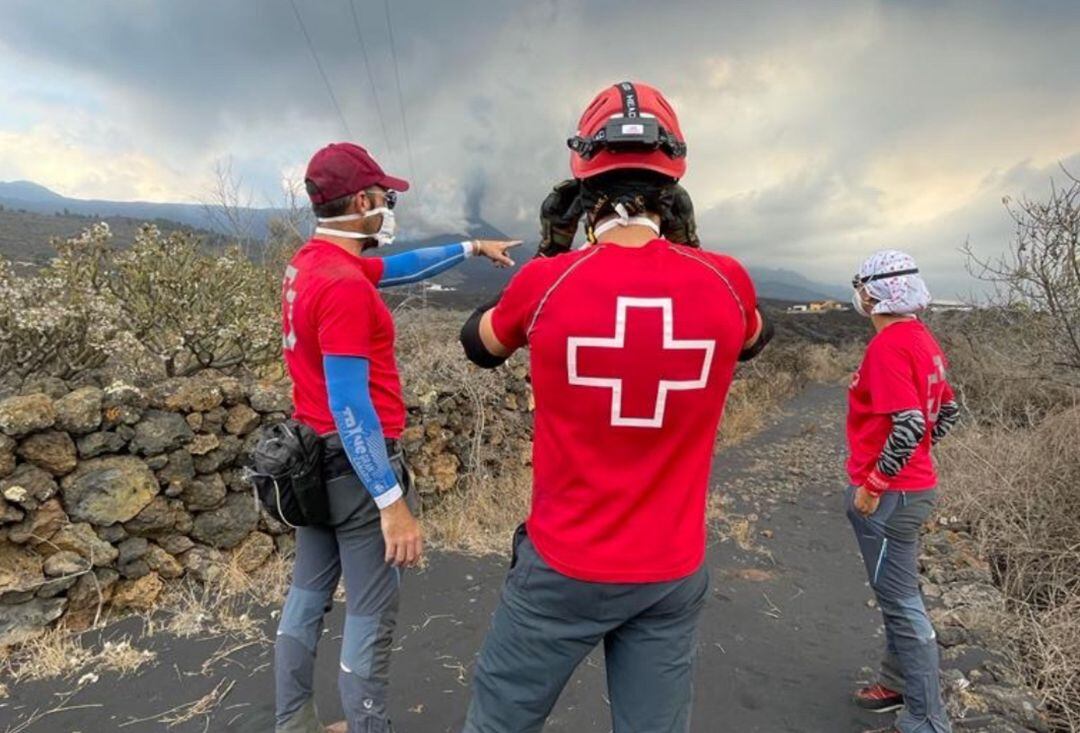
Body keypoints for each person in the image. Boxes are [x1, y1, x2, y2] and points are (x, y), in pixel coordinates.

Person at [457, 81, 773, 733]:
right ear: (673, 185)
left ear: (581, 184)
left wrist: (548, 256)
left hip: (563, 566)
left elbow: (478, 343)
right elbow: (755, 336)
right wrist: (689, 251)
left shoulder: (544, 284)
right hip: (671, 568)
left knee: (499, 719)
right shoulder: (727, 279)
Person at [276, 141, 519, 733]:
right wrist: (391, 502)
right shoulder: (343, 285)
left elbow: (400, 268)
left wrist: (470, 246)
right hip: (355, 469)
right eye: (384, 197)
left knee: (305, 601)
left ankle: (293, 724)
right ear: (362, 200)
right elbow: (350, 404)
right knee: (369, 616)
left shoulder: (312, 264)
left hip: (308, 460)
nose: (389, 206)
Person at [845, 250, 960, 733]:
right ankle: (896, 685)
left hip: (891, 497)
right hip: (912, 489)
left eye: (861, 287)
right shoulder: (922, 340)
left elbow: (911, 422)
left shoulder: (889, 347)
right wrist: (913, 459)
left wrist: (876, 482)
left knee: (901, 603)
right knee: (897, 593)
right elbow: (947, 412)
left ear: (874, 293)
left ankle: (928, 719)